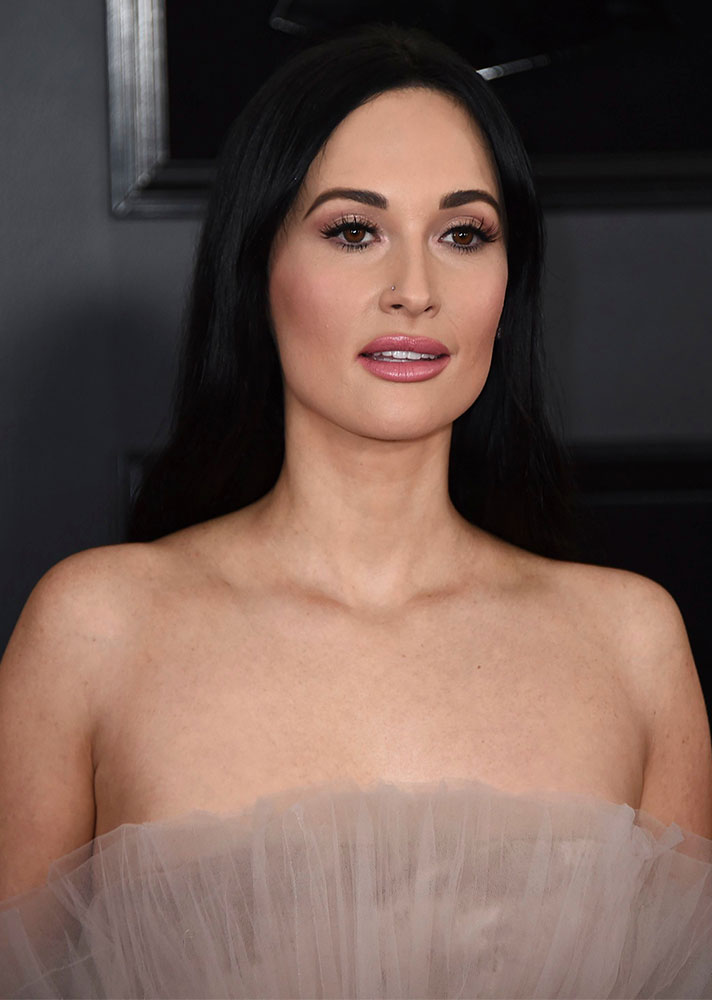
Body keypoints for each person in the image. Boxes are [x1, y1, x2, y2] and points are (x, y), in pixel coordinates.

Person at [1, 22, 711, 1000]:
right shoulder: (95, 630)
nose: (414, 290)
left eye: (463, 234)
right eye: (353, 231)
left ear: (509, 287)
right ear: (257, 267)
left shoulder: (631, 642)